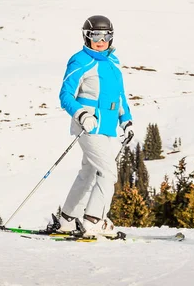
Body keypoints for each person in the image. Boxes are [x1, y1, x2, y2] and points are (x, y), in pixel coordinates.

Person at [58, 15, 133, 236]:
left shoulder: (112, 63)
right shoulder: (80, 60)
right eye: (95, 35)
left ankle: (67, 220)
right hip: (89, 126)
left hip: (107, 127)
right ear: (86, 36)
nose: (101, 40)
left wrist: (126, 121)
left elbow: (119, 97)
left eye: (106, 35)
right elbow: (65, 95)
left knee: (88, 173)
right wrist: (81, 115)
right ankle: (93, 220)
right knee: (108, 172)